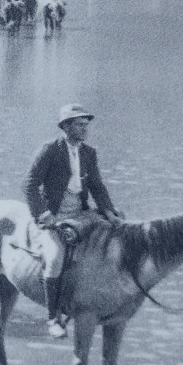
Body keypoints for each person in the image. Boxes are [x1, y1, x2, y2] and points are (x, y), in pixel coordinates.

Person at [24, 103, 123, 338]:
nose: (84, 129)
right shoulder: (49, 150)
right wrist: (44, 215)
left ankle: (100, 300)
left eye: (86, 125)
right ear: (66, 126)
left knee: (116, 236)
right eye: (79, 125)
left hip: (81, 212)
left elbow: (97, 187)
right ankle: (52, 318)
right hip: (55, 215)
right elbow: (29, 186)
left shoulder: (89, 152)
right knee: (56, 257)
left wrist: (109, 212)